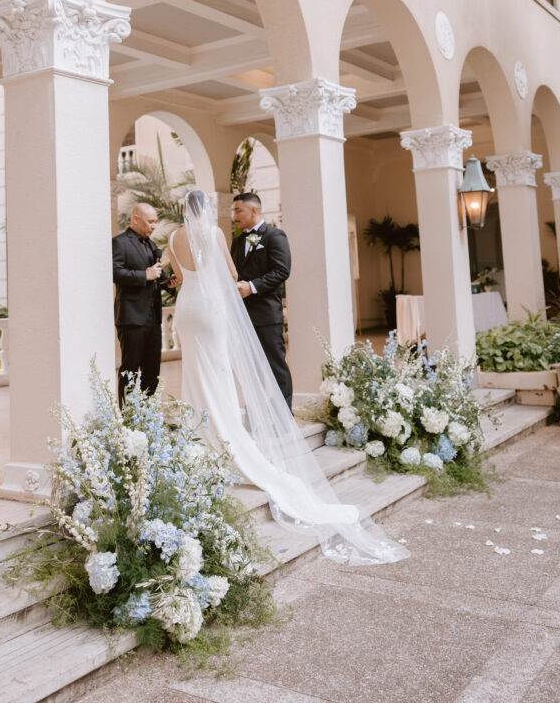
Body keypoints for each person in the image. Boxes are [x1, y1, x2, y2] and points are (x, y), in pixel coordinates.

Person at [167, 188, 409, 567]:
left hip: (187, 309)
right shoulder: (214, 233)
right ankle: (227, 434)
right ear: (207, 208)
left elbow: (181, 276)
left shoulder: (172, 237)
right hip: (211, 308)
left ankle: (200, 434)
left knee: (195, 372)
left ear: (183, 208)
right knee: (217, 372)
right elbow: (230, 273)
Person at [230, 193, 293, 410]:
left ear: (254, 210)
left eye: (238, 210)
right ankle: (256, 416)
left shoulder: (275, 236)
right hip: (243, 316)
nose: (234, 215)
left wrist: (252, 287)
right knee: (251, 370)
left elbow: (282, 270)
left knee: (275, 366)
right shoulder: (237, 242)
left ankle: (283, 416)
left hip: (267, 314)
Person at [112, 203, 174, 406]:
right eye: (150, 221)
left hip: (153, 318)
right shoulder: (119, 243)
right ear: (136, 219)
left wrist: (168, 283)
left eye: (155, 221)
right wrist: (144, 275)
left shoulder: (151, 245)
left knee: (152, 371)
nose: (154, 226)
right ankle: (128, 420)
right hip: (131, 317)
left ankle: (148, 417)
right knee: (130, 370)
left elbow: (158, 275)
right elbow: (114, 272)